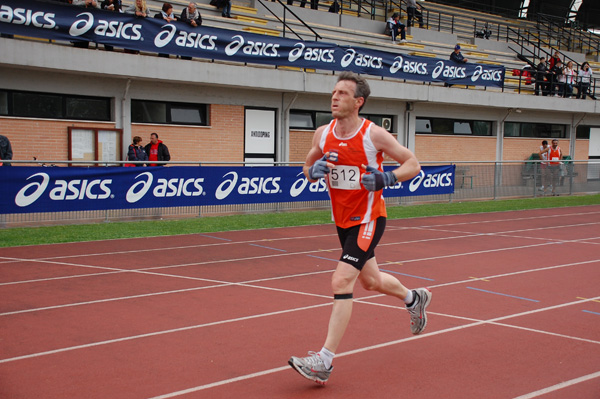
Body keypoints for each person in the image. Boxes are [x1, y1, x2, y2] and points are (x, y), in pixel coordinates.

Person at [288, 72, 431, 385]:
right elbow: (306, 167)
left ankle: (323, 361)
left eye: (342, 93)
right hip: (342, 221)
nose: (334, 97)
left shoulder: (373, 135)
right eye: (334, 92)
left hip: (369, 219)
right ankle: (413, 299)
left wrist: (386, 178)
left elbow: (412, 163)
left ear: (358, 102)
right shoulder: (322, 134)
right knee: (371, 281)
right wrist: (313, 171)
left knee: (341, 281)